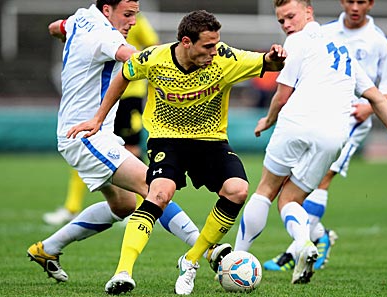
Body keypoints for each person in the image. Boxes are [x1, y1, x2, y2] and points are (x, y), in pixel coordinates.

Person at [67, 9, 286, 295]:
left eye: (216, 44)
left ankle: (191, 260)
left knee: (238, 190)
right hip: (166, 140)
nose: (214, 51)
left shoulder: (225, 59)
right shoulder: (155, 58)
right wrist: (98, 119)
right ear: (186, 42)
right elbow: (125, 73)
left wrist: (274, 58)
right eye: (207, 46)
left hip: (210, 140)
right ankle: (123, 272)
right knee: (158, 193)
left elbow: (265, 63)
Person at [233, 0, 387, 285]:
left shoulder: (295, 42)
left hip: (297, 122)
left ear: (309, 12)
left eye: (290, 17)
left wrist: (268, 119)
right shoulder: (343, 50)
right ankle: (304, 243)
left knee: (266, 190)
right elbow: (377, 97)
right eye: (281, 21)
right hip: (334, 135)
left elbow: (282, 96)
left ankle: (237, 260)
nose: (286, 25)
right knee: (291, 199)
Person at [26, 0, 215, 285]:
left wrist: (69, 38)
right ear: (107, 10)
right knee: (154, 186)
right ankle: (211, 252)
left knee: (124, 206)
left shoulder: (80, 18)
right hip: (87, 135)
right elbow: (134, 58)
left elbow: (55, 27)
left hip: (86, 133)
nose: (133, 22)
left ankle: (47, 249)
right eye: (127, 15)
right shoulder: (107, 35)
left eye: (135, 15)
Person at [42, 13, 159, 226]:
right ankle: (72, 207)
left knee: (131, 149)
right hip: (100, 97)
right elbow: (56, 27)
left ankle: (146, 207)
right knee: (88, 144)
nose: (131, 19)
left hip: (130, 95)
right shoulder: (95, 26)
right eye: (128, 13)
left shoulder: (136, 22)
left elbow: (151, 49)